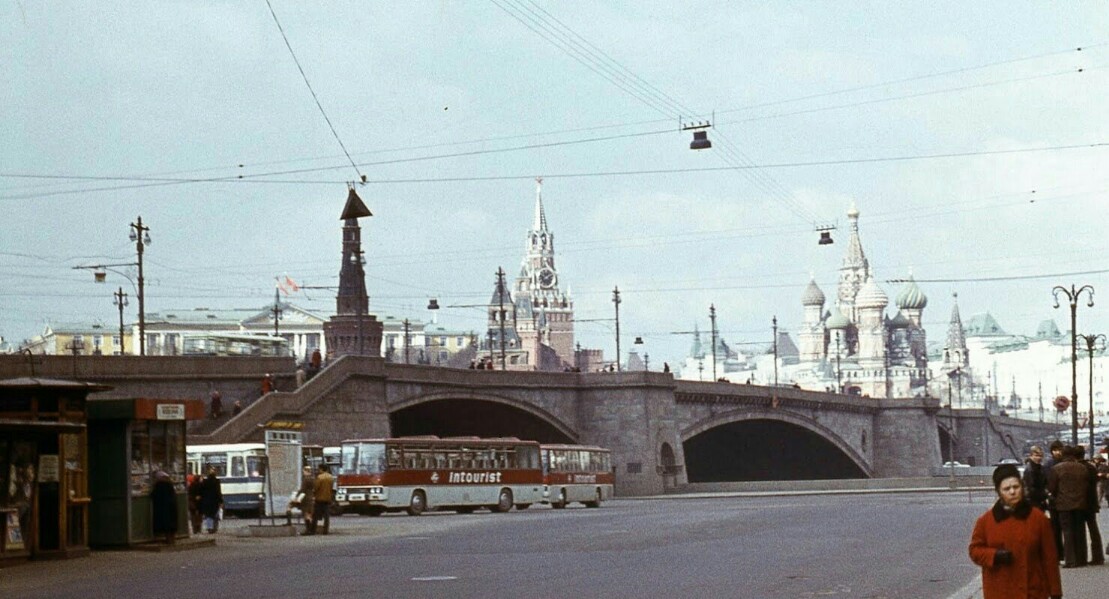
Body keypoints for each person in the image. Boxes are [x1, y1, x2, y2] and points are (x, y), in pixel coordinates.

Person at [969, 464, 1061, 599]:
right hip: (1000, 591)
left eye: (1016, 487)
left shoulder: (1038, 518)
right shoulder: (985, 521)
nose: (1012, 492)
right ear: (999, 492)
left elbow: (1050, 558)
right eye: (1007, 489)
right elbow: (974, 550)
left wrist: (1055, 591)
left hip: (1033, 591)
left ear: (1022, 488)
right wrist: (994, 555)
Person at [1048, 446, 1090, 567]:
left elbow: (1052, 488)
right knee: (1080, 531)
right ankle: (1082, 559)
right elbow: (1086, 485)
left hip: (1063, 505)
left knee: (1067, 532)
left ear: (1062, 454)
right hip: (1080, 504)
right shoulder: (1082, 468)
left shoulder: (1056, 469)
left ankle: (1070, 560)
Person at [1078, 449, 1104, 565]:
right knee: (1093, 529)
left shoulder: (1078, 468)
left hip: (1081, 502)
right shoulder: (1091, 467)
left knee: (1080, 530)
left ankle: (1081, 557)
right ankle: (1098, 556)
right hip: (1091, 502)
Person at [150, 471, 178, 545]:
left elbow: (154, 495)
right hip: (172, 507)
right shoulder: (170, 485)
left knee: (166, 524)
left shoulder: (158, 485)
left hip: (163, 508)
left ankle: (168, 540)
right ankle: (172, 540)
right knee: (172, 524)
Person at [197, 466, 224, 534]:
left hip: (206, 501)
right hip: (215, 501)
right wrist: (221, 501)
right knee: (214, 514)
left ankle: (209, 528)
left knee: (208, 515)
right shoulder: (217, 481)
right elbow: (218, 492)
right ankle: (214, 528)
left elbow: (201, 490)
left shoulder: (205, 482)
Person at [1022, 446, 1049, 511]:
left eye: (1040, 456)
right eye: (1036, 455)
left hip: (1039, 500)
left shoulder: (1040, 468)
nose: (1038, 458)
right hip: (1033, 501)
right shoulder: (1030, 470)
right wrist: (1044, 494)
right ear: (1031, 456)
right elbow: (1030, 488)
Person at [311, 464, 334, 535]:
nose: (318, 470)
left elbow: (315, 488)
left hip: (319, 498)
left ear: (321, 469)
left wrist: (313, 494)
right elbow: (331, 488)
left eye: (319, 469)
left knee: (315, 515)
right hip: (327, 498)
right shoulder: (331, 477)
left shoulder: (319, 477)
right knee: (326, 516)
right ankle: (325, 530)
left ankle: (313, 530)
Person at [298, 465, 316, 534]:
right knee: (310, 513)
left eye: (304, 471)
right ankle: (311, 530)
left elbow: (303, 489)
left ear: (305, 471)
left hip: (305, 498)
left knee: (306, 514)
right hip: (311, 497)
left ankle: (308, 530)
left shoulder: (305, 479)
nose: (303, 472)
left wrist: (297, 495)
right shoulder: (313, 478)